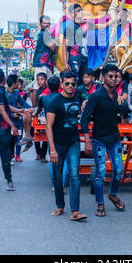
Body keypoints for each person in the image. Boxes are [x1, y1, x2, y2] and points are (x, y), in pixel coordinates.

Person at [81, 64, 124, 217]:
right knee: (100, 173)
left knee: (119, 170)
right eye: (110, 76)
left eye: (116, 76)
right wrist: (87, 141)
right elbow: (84, 120)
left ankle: (112, 194)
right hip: (99, 140)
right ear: (103, 77)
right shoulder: (96, 96)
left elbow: (120, 115)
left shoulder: (116, 96)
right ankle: (100, 204)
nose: (113, 79)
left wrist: (123, 105)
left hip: (115, 139)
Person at [46, 71, 87, 221]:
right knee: (58, 177)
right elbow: (48, 127)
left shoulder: (79, 97)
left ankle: (75, 211)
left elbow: (89, 99)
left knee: (75, 176)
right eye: (67, 84)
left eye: (73, 84)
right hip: (57, 144)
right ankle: (60, 206)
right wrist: (52, 149)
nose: (70, 86)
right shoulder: (55, 102)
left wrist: (85, 102)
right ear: (62, 84)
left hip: (73, 142)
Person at [40, 75, 68, 191]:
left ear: (48, 86)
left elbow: (37, 110)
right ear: (60, 85)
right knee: (64, 159)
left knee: (53, 158)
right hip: (64, 129)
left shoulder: (44, 98)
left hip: (50, 130)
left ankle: (54, 185)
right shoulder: (63, 97)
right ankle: (61, 184)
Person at [6, 74, 33, 163]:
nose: (18, 83)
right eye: (17, 81)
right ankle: (11, 154)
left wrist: (32, 108)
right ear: (13, 83)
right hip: (9, 122)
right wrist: (13, 116)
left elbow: (23, 103)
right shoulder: (5, 94)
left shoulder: (17, 93)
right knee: (10, 141)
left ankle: (17, 155)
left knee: (19, 138)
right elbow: (4, 111)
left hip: (18, 121)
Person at [62, 4, 88, 85]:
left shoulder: (82, 27)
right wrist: (65, 63)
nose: (81, 12)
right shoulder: (71, 27)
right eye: (78, 11)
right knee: (74, 82)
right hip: (75, 60)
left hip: (84, 59)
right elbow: (64, 46)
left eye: (81, 10)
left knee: (83, 83)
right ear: (73, 14)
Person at [33, 15, 57, 85]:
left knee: (51, 83)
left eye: (48, 23)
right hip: (40, 64)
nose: (47, 25)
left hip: (43, 64)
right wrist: (56, 39)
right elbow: (53, 48)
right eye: (45, 23)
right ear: (40, 24)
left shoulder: (45, 34)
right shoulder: (44, 34)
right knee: (38, 86)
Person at [31, 72, 50, 162]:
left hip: (46, 114)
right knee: (36, 134)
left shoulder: (49, 90)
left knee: (46, 135)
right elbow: (34, 104)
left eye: (42, 79)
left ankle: (43, 155)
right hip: (37, 114)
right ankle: (38, 153)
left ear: (46, 80)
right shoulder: (37, 91)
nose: (40, 82)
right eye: (38, 80)